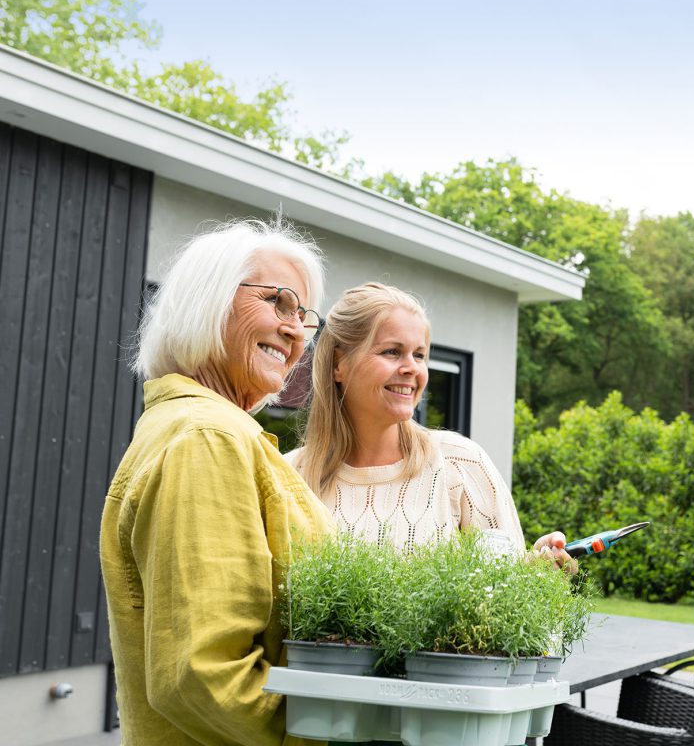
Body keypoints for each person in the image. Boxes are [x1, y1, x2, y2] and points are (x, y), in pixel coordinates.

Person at [100, 219, 334, 746]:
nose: (296, 331)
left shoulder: (202, 429)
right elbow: (205, 673)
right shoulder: (207, 437)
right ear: (207, 302)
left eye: (303, 316)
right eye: (277, 301)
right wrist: (326, 738)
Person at [287, 282, 573, 566]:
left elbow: (507, 585)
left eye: (419, 355)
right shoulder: (287, 478)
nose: (412, 368)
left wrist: (537, 571)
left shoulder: (460, 465)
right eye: (392, 351)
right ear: (338, 364)